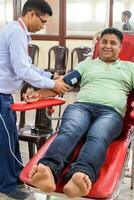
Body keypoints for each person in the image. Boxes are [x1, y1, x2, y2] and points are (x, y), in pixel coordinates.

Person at [24, 27, 134, 198]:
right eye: (104, 42)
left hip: (111, 113)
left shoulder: (130, 68)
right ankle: (48, 170)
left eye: (113, 43)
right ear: (98, 44)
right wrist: (39, 94)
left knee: (98, 135)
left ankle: (81, 175)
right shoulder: (86, 65)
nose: (107, 46)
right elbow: (63, 84)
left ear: (120, 48)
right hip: (82, 107)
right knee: (70, 130)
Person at [0, 0, 70, 199]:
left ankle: (16, 176)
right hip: (0, 96)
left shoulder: (21, 33)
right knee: (4, 142)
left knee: (11, 137)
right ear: (31, 14)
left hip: (5, 96)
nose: (43, 26)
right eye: (43, 21)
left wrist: (50, 78)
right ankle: (7, 185)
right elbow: (23, 71)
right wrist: (53, 86)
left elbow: (29, 66)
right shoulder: (15, 33)